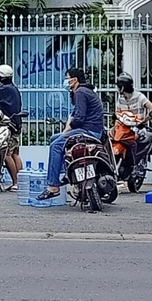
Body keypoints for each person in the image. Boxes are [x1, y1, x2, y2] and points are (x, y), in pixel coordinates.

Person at [36, 67, 105, 201]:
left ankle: (53, 186)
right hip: (94, 131)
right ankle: (65, 171)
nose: (66, 81)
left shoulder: (80, 92)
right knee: (54, 138)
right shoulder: (86, 91)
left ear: (74, 80)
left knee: (56, 146)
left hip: (87, 131)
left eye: (67, 78)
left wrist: (69, 128)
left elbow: (79, 118)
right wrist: (66, 130)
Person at [111, 73, 152, 161]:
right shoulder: (120, 99)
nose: (118, 89)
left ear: (122, 87)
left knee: (138, 139)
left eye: (119, 86)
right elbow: (117, 112)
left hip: (137, 128)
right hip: (124, 128)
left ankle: (134, 161)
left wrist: (145, 120)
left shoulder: (139, 96)